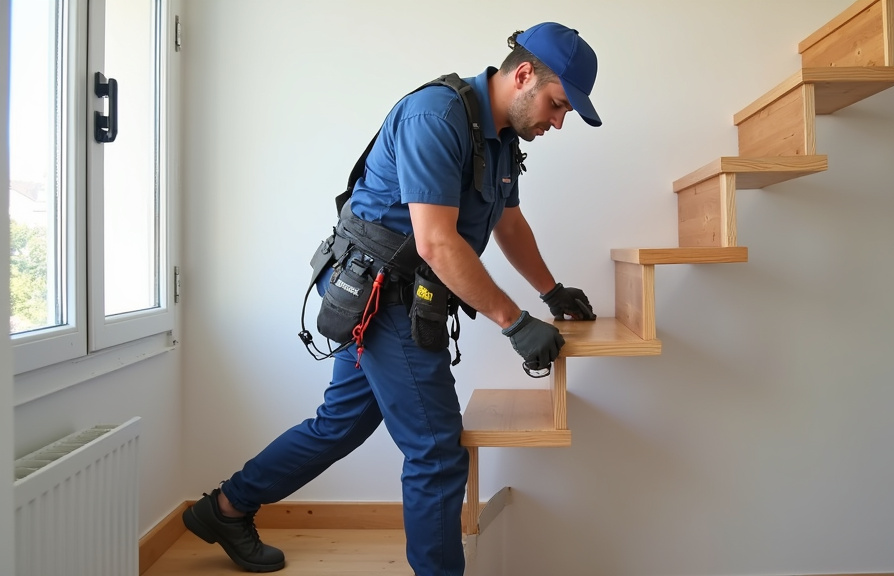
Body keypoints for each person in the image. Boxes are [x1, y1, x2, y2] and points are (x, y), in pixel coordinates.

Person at [182, 21, 602, 575]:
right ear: (522, 75)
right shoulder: (439, 116)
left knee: (340, 424)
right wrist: (514, 321)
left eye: (565, 112)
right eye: (557, 105)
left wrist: (550, 291)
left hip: (399, 292)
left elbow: (509, 221)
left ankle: (225, 509)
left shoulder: (500, 141)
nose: (557, 121)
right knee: (436, 454)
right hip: (383, 297)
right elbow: (435, 241)